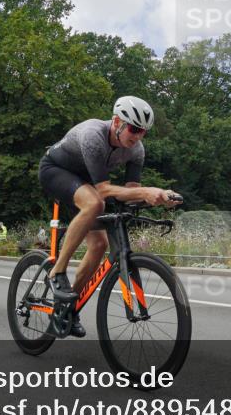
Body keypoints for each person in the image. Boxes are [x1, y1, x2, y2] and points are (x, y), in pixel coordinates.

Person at [38, 96, 181, 337]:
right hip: (57, 170)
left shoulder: (137, 150)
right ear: (117, 121)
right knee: (95, 202)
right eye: (134, 129)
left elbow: (130, 192)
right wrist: (145, 191)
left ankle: (67, 309)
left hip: (87, 183)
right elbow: (104, 190)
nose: (137, 136)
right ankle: (57, 271)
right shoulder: (94, 135)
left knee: (99, 244)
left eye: (143, 132)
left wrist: (160, 196)